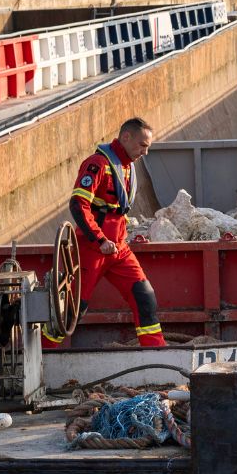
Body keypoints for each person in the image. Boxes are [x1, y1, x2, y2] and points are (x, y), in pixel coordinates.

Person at [46, 117, 167, 349]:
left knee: (145, 297)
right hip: (92, 249)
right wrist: (100, 239)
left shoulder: (127, 167)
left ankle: (156, 352)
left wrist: (114, 241)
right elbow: (78, 205)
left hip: (119, 249)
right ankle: (43, 355)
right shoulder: (97, 164)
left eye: (148, 146)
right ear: (126, 137)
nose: (146, 152)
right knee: (71, 310)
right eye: (143, 145)